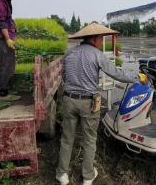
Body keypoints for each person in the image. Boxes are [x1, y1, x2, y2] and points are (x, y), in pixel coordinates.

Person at [56, 23, 147, 185]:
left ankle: (62, 175)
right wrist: (137, 78)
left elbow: (64, 76)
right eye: (101, 39)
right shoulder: (97, 55)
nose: (102, 42)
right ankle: (88, 176)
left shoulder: (69, 53)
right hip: (88, 103)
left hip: (69, 100)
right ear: (96, 39)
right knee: (89, 139)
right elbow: (116, 73)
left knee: (67, 138)